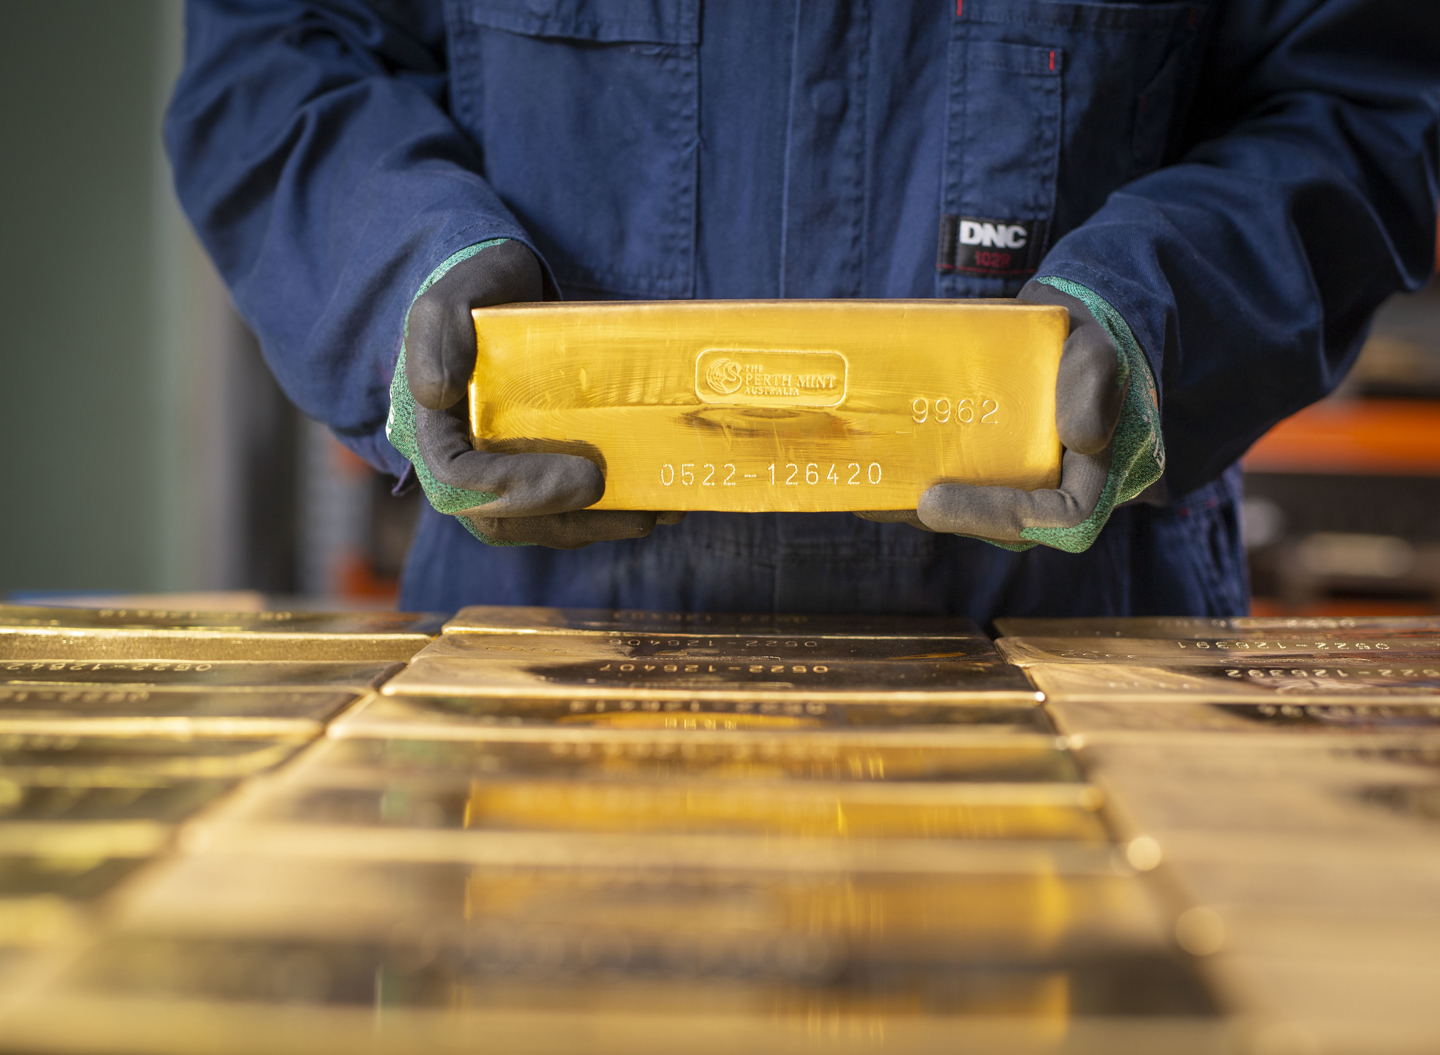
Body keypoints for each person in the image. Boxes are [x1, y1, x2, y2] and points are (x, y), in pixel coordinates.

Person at [166, 0, 1439, 618]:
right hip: (544, 660)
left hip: (1080, 641)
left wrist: (1160, 320)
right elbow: (281, 54)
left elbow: (1359, 99)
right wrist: (405, 278)